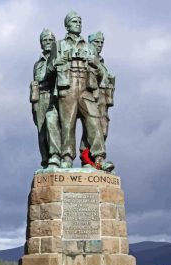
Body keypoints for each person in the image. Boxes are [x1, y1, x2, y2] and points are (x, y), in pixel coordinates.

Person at [47, 11, 113, 170]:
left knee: (94, 121)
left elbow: (103, 74)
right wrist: (57, 62)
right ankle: (67, 157)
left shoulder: (90, 47)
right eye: (75, 21)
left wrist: (95, 64)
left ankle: (98, 158)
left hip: (86, 89)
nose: (78, 24)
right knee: (67, 124)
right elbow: (48, 71)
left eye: (79, 21)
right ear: (67, 25)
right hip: (67, 87)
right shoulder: (60, 45)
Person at [80, 32, 115, 167]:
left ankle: (92, 160)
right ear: (90, 43)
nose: (99, 45)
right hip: (89, 96)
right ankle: (88, 159)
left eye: (101, 42)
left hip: (103, 100)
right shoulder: (87, 58)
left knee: (103, 130)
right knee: (92, 129)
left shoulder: (101, 62)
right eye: (96, 42)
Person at [30, 29, 61, 168]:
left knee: (52, 125)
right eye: (44, 40)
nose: (47, 43)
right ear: (41, 44)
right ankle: (46, 159)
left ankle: (56, 156)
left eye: (50, 40)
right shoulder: (37, 64)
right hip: (39, 98)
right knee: (41, 131)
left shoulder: (57, 58)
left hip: (53, 95)